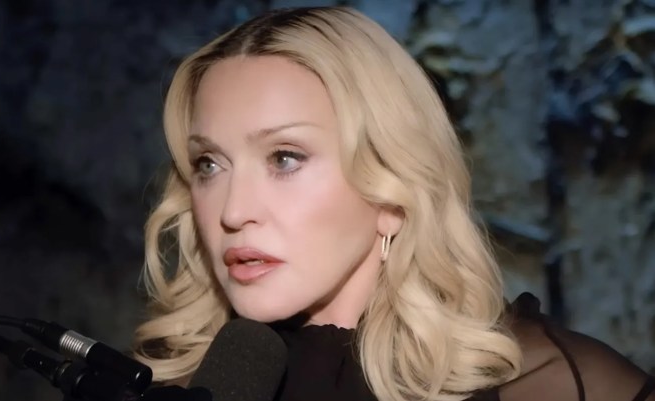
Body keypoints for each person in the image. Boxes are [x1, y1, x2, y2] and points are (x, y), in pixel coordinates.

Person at [133, 6, 654, 401]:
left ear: (391, 193)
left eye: (284, 158)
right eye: (209, 164)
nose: (232, 212)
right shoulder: (152, 386)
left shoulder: (555, 385)